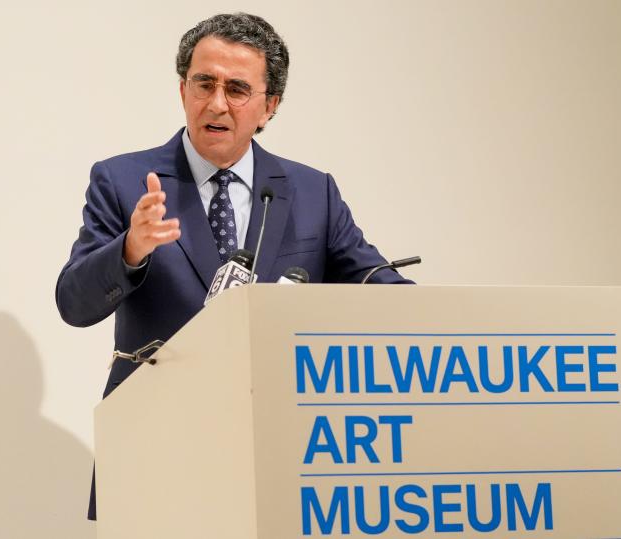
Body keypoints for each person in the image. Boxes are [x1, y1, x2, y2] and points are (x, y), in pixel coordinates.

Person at [55, 12, 413, 520]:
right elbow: (74, 303)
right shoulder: (125, 180)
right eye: (204, 83)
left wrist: (429, 312)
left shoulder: (313, 192)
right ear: (183, 91)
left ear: (269, 107)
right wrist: (130, 250)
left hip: (276, 448)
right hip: (155, 444)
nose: (216, 103)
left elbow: (372, 280)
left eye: (237, 89)